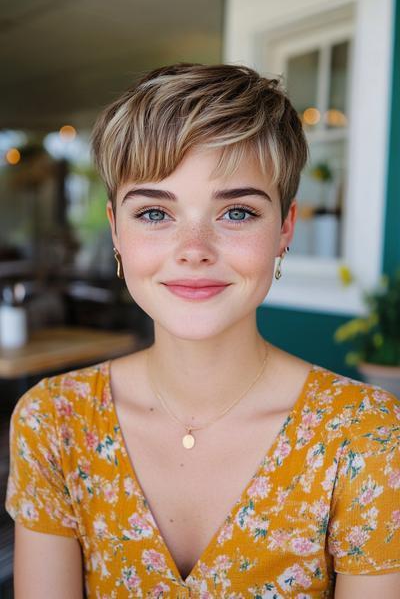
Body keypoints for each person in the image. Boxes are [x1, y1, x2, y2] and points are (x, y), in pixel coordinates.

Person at [5, 63, 400, 598]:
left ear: (285, 228)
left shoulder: (367, 437)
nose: (194, 249)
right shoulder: (53, 421)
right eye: (152, 214)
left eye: (236, 212)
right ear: (115, 229)